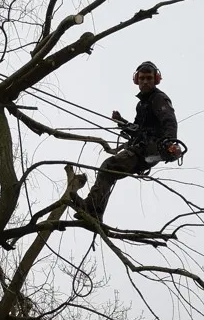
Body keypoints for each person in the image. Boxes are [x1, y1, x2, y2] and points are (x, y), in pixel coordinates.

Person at [71, 61, 181, 223]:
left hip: (151, 148)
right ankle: (95, 214)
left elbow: (169, 121)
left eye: (149, 78)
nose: (145, 81)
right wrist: (121, 121)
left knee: (109, 166)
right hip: (142, 148)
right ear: (137, 80)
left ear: (156, 79)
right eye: (142, 78)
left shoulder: (158, 98)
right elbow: (137, 129)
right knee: (110, 173)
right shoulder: (141, 104)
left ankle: (92, 208)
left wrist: (170, 143)